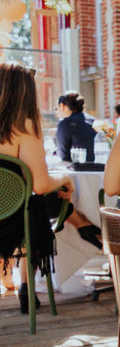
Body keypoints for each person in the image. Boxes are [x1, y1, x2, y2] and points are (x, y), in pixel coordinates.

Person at [0, 63, 82, 309]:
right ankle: (27, 283)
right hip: (14, 220)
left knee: (28, 204)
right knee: (38, 204)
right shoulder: (23, 129)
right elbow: (41, 183)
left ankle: (9, 277)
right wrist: (65, 179)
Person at [55, 91, 96, 162]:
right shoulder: (92, 120)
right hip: (97, 167)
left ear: (62, 106)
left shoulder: (65, 123)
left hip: (76, 169)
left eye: (57, 108)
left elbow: (63, 154)